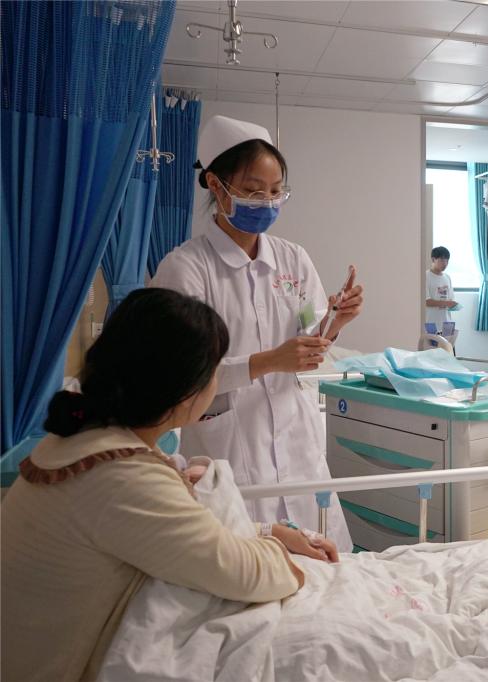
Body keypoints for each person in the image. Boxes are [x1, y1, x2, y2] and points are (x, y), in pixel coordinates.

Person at [0, 288, 337, 682]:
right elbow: (244, 573)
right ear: (182, 390)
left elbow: (173, 531)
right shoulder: (122, 475)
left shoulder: (81, 439)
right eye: (214, 371)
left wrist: (270, 531)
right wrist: (285, 558)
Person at [152, 115, 361, 551]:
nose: (266, 202)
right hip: (229, 444)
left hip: (296, 438)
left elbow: (310, 333)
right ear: (216, 185)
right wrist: (267, 362)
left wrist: (335, 322)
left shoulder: (293, 259)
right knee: (245, 559)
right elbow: (179, 375)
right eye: (252, 190)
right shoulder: (186, 268)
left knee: (325, 562)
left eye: (275, 191)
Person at [425, 245, 457, 330]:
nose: (445, 263)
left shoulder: (447, 277)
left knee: (448, 339)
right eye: (442, 260)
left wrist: (453, 304)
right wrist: (446, 303)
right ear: (433, 259)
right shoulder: (425, 276)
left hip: (447, 322)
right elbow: (426, 301)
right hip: (430, 323)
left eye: (447, 260)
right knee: (431, 339)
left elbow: (451, 299)